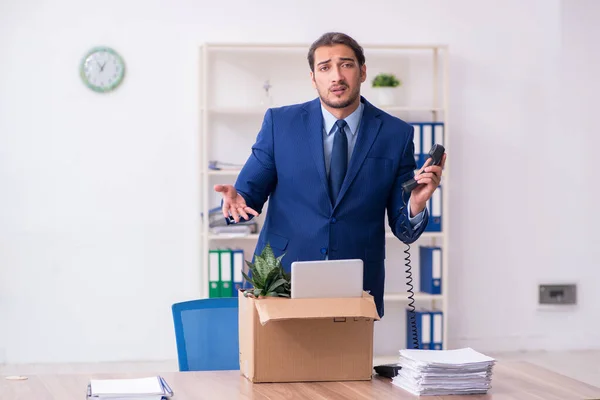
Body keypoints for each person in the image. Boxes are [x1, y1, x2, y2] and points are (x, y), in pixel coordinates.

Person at [214, 32, 446, 317]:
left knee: (347, 363)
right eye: (325, 67)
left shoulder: (395, 134)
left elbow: (403, 229)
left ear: (362, 72)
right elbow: (247, 200)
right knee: (280, 362)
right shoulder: (280, 123)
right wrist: (236, 202)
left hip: (356, 282)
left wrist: (417, 204)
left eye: (346, 65)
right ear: (313, 78)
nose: (336, 76)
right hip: (281, 278)